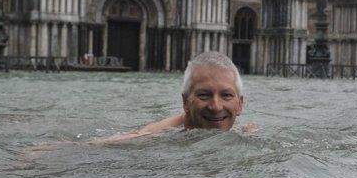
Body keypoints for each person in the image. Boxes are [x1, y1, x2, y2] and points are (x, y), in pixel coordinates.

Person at [91, 51, 246, 144]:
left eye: (226, 95)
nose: (216, 106)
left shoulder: (246, 130)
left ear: (240, 105)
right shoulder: (153, 136)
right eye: (204, 95)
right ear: (185, 102)